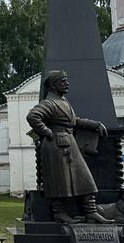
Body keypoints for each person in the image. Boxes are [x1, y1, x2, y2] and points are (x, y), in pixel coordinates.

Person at [27, 70, 109, 223]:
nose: (67, 83)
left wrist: (95, 124)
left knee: (84, 178)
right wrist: (48, 132)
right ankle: (59, 213)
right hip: (57, 145)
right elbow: (33, 116)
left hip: (69, 143)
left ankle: (91, 211)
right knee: (59, 181)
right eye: (62, 81)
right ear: (53, 85)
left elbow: (74, 121)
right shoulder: (49, 103)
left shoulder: (63, 102)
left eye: (66, 80)